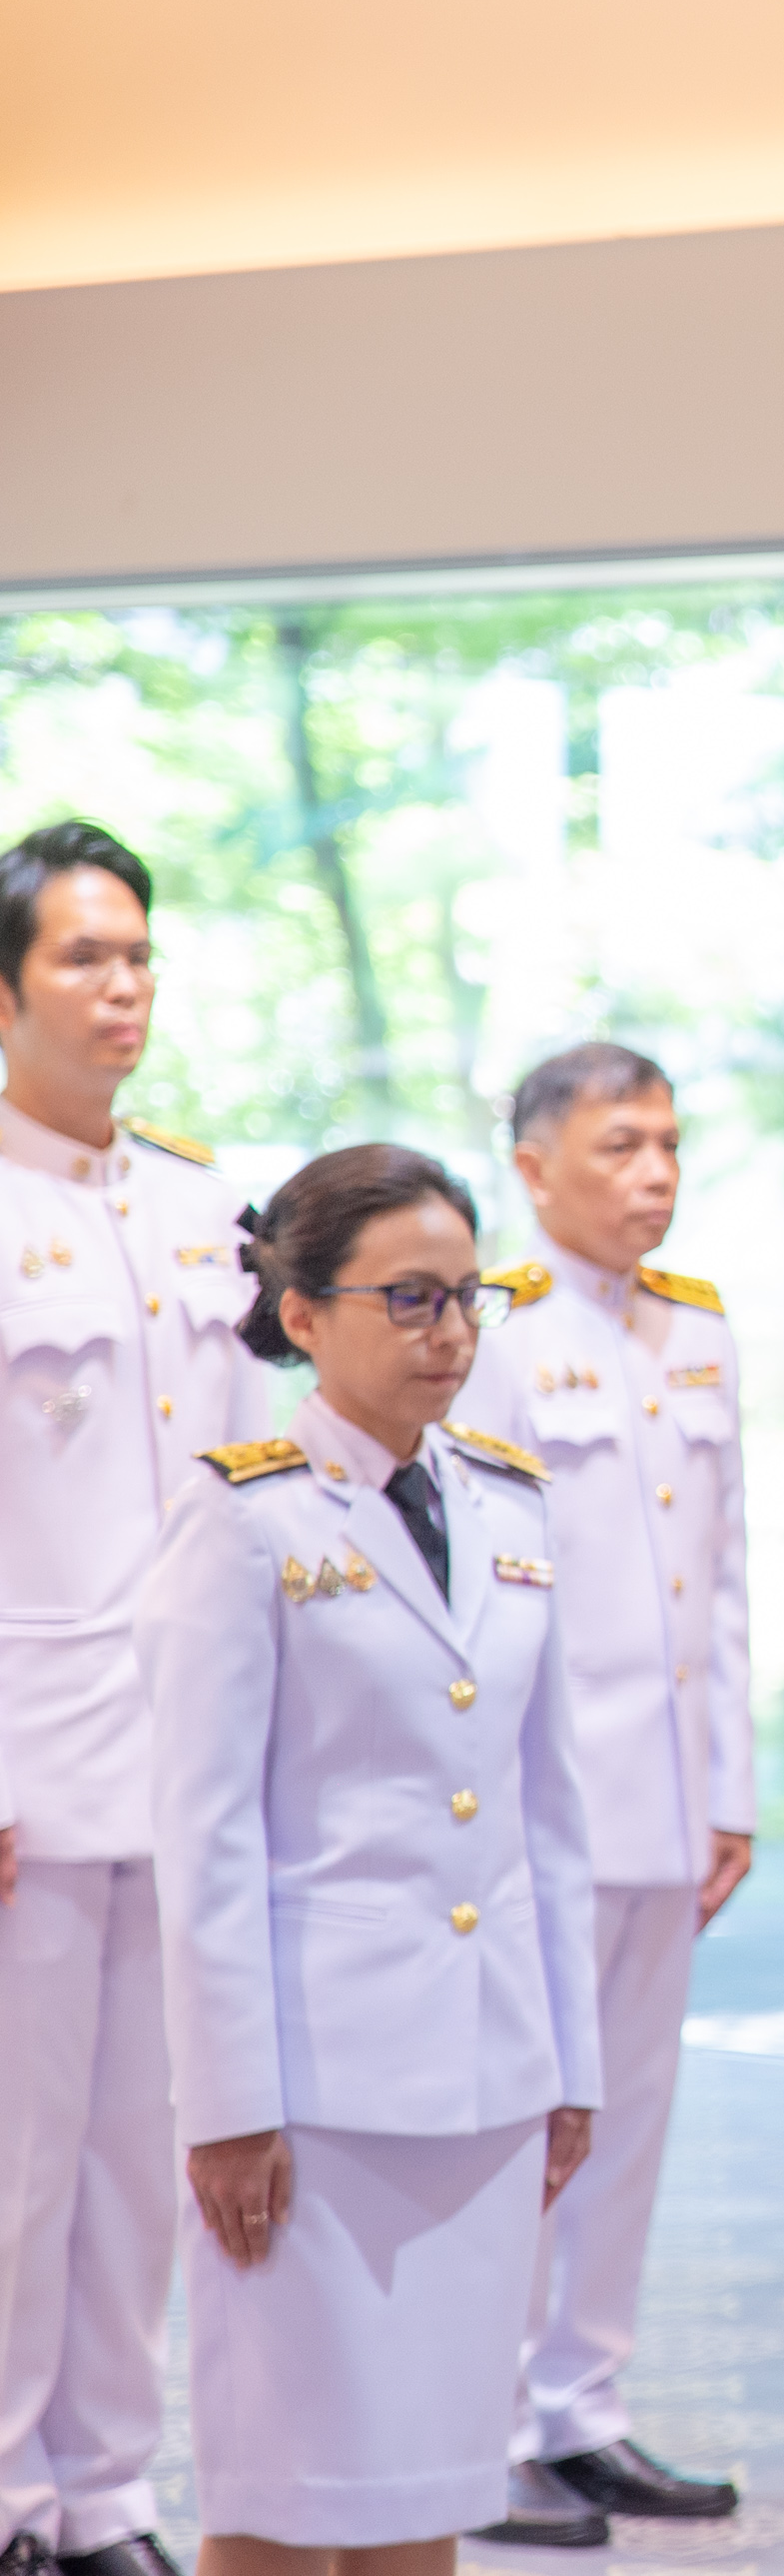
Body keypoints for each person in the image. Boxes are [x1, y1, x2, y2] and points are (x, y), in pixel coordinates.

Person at [141, 1143, 600, 2576]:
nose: (448, 1331)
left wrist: (570, 2066)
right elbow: (207, 1837)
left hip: (486, 2080)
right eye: (408, 1298)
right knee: (283, 2492)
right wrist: (228, 2107)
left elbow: (549, 1815)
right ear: (301, 1313)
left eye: (467, 1296)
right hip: (316, 2095)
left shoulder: (513, 1505)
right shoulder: (243, 1519)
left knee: (425, 2486)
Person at [0, 819, 265, 2576]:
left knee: (143, 2151)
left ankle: (104, 2489)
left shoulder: (195, 1207)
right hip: (27, 1759)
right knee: (15, 2159)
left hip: (183, 1753)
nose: (123, 987)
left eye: (140, 955)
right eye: (84, 956)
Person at [451, 1044, 750, 2542]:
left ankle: (585, 2405)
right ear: (534, 1166)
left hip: (672, 1797)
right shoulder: (493, 1329)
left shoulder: (696, 1326)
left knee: (630, 2119)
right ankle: (489, 2423)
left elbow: (727, 1575)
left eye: (670, 1143)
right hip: (549, 1799)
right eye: (621, 1144)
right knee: (535, 2118)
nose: (655, 1173)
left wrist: (733, 1787)